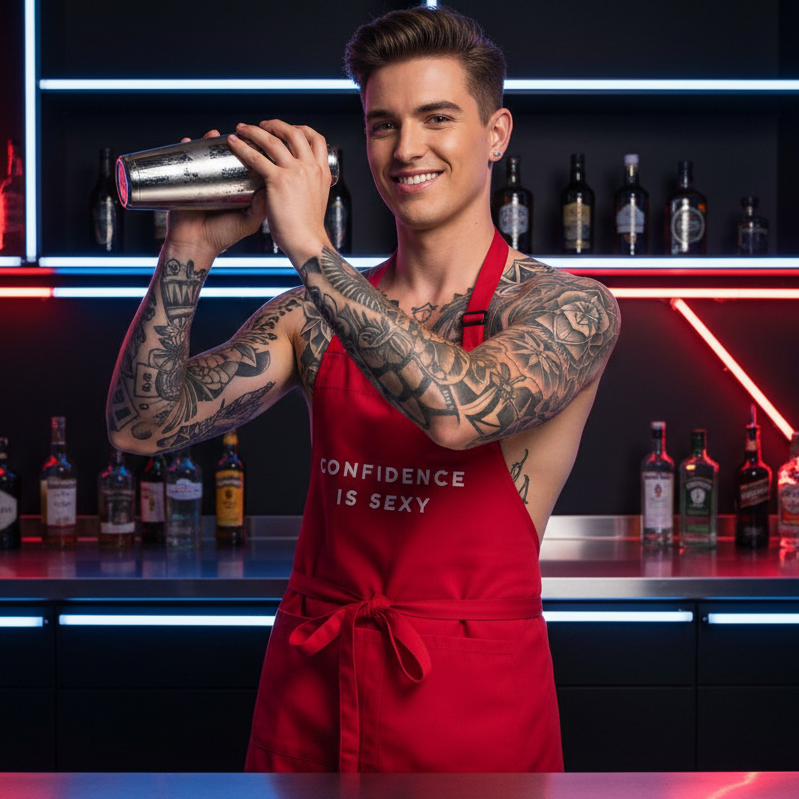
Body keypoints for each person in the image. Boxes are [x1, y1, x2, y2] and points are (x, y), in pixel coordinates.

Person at [107, 5, 620, 774]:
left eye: (436, 118)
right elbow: (141, 426)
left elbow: (455, 410)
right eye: (383, 124)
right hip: (313, 688)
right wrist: (187, 249)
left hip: (469, 704)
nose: (406, 148)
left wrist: (308, 244)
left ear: (496, 134)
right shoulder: (307, 316)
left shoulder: (567, 309)